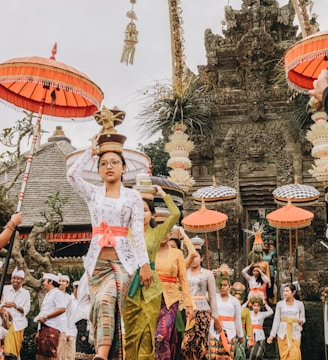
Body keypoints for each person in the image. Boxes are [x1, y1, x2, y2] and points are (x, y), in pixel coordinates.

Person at [67, 129, 153, 360]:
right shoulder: (94, 194)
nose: (109, 166)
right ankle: (107, 355)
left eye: (115, 162)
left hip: (123, 261)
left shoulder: (133, 197)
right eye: (104, 163)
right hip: (97, 264)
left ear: (124, 168)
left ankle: (103, 355)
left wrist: (144, 264)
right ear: (98, 170)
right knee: (103, 305)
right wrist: (90, 151)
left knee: (110, 301)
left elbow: (136, 231)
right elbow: (72, 176)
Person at [123, 185, 180, 360]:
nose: (141, 213)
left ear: (153, 215)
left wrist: (162, 194)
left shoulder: (158, 232)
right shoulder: (126, 232)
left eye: (145, 210)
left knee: (148, 331)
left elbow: (176, 214)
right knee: (131, 334)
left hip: (151, 286)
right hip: (130, 283)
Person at [155, 231, 194, 360]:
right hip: (151, 297)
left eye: (167, 231)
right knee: (152, 338)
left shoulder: (177, 254)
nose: (164, 234)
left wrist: (189, 304)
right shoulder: (149, 251)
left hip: (171, 299)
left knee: (163, 334)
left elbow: (183, 279)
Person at [181, 249, 220, 360]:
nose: (193, 260)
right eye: (191, 257)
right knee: (186, 345)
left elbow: (212, 297)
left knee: (200, 343)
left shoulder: (207, 274)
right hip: (186, 310)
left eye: (196, 257)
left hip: (202, 311)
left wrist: (216, 317)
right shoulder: (184, 272)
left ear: (201, 258)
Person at [208, 272, 244, 359]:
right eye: (220, 285)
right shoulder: (213, 297)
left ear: (229, 286)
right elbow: (204, 288)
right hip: (214, 330)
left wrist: (240, 335)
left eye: (225, 285)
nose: (222, 287)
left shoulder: (234, 301)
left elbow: (237, 319)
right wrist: (210, 275)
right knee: (214, 356)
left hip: (230, 331)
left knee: (227, 356)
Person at [267, 283, 305, 360]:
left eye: (287, 291)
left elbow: (303, 318)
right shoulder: (280, 304)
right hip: (282, 332)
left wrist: (301, 321)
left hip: (295, 332)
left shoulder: (300, 304)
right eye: (284, 291)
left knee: (294, 354)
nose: (284, 293)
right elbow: (276, 320)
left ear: (293, 292)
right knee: (285, 356)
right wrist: (272, 335)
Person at [34, 273, 67, 360]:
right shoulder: (48, 294)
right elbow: (43, 313)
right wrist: (38, 331)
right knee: (41, 355)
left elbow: (62, 308)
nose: (44, 283)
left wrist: (46, 317)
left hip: (52, 328)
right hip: (43, 328)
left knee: (50, 355)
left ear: (51, 281)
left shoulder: (57, 293)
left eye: (45, 280)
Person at [1, 268, 30, 360]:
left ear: (22, 280)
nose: (15, 280)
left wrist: (17, 307)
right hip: (4, 322)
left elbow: (27, 309)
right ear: (11, 279)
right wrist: (6, 305)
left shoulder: (26, 293)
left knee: (15, 351)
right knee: (7, 350)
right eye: (14, 278)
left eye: (18, 278)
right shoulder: (4, 289)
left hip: (19, 323)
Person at [74, 272, 95, 360]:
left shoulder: (86, 276)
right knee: (85, 352)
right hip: (86, 317)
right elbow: (92, 296)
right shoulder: (90, 276)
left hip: (82, 317)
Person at [231, 282, 252, 360]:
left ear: (242, 300)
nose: (237, 300)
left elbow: (249, 325)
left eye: (239, 299)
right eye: (235, 298)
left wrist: (249, 338)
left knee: (240, 354)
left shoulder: (246, 310)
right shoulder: (230, 309)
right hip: (231, 333)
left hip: (242, 333)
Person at [58, 274, 77, 360]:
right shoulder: (51, 295)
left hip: (65, 331)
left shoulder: (69, 299)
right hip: (53, 330)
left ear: (67, 284)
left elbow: (69, 317)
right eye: (59, 281)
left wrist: (68, 333)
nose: (61, 283)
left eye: (63, 281)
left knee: (67, 356)